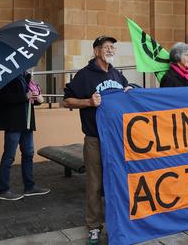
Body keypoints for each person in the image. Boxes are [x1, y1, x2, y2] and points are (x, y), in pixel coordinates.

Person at [63, 36, 131, 245]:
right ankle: (94, 227)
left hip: (117, 139)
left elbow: (125, 94)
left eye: (113, 47)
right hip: (95, 138)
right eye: (106, 47)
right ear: (96, 51)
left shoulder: (117, 74)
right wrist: (88, 102)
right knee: (94, 184)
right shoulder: (84, 76)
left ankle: (119, 223)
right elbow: (66, 101)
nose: (110, 50)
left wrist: (128, 93)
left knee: (119, 181)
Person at [0, 71, 49, 201]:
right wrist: (25, 96)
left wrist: (37, 99)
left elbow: (29, 99)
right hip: (13, 123)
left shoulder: (25, 77)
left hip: (27, 122)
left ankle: (29, 187)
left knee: (28, 153)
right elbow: (2, 98)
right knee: (9, 156)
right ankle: (4, 190)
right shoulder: (5, 75)